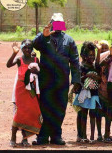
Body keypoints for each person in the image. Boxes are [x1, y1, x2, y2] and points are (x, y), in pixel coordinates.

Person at [32, 13, 81, 145]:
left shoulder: (69, 40)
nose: (58, 26)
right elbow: (34, 45)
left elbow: (75, 60)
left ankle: (56, 136)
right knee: (45, 107)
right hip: (46, 80)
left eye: (60, 23)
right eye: (56, 23)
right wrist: (44, 36)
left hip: (62, 80)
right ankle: (42, 136)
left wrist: (76, 80)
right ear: (51, 22)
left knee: (59, 107)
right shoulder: (44, 36)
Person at [6, 40, 42, 147]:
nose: (27, 50)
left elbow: (39, 72)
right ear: (22, 48)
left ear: (32, 49)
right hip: (20, 90)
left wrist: (36, 72)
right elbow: (8, 65)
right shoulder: (19, 60)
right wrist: (14, 53)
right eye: (25, 47)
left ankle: (24, 138)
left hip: (31, 90)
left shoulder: (35, 59)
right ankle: (13, 137)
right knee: (19, 113)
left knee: (29, 113)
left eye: (30, 47)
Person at [73, 41, 102, 143]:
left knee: (91, 113)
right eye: (90, 55)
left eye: (93, 55)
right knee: (82, 114)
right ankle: (81, 135)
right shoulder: (81, 66)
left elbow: (99, 74)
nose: (92, 57)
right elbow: (78, 79)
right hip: (82, 93)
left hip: (93, 93)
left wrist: (99, 51)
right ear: (84, 56)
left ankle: (88, 136)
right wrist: (86, 76)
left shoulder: (94, 66)